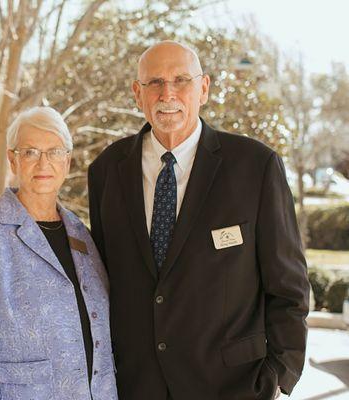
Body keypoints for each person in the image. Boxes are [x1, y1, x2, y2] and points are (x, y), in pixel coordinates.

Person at [87, 41, 310, 399]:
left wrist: (279, 375)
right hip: (136, 385)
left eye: (181, 80)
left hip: (233, 386)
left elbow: (289, 287)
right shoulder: (106, 171)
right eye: (155, 82)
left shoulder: (256, 167)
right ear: (136, 93)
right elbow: (104, 283)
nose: (168, 93)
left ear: (203, 88)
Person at [0, 106, 118, 400]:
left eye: (54, 152)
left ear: (67, 162)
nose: (44, 163)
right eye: (30, 152)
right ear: (12, 160)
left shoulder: (81, 234)